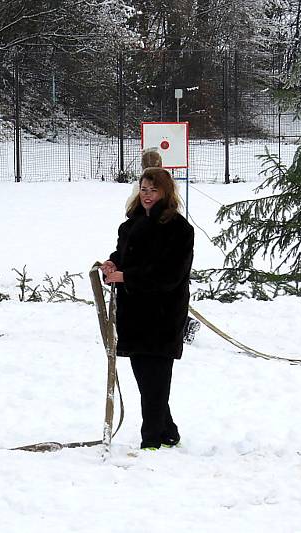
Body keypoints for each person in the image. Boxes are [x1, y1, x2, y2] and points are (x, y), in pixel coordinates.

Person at [100, 167, 194, 450]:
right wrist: (112, 265)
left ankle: (151, 439)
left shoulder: (179, 229)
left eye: (154, 190)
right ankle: (168, 431)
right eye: (143, 189)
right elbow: (123, 255)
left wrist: (127, 276)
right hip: (134, 313)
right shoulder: (130, 226)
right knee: (146, 378)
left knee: (156, 378)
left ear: (165, 192)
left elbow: (169, 274)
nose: (147, 195)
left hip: (163, 314)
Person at [127, 149, 201, 345]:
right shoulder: (147, 186)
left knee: (162, 291)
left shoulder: (155, 185)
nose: (148, 194)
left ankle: (184, 323)